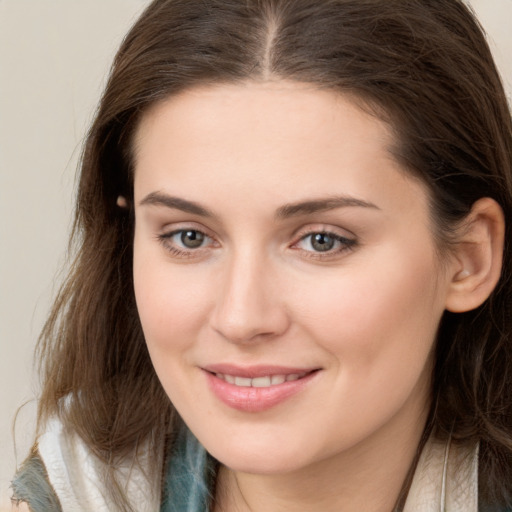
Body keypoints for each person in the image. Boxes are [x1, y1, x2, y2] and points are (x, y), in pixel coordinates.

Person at [11, 0, 512, 510]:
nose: (241, 318)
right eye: (188, 236)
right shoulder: (71, 490)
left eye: (322, 240)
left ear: (469, 259)